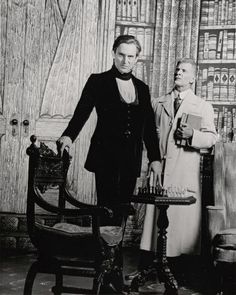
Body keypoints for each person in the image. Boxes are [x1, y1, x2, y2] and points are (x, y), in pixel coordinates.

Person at [126, 58, 217, 282]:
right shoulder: (159, 103)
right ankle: (149, 270)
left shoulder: (202, 106)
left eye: (184, 70)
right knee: (154, 223)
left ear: (193, 78)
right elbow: (149, 134)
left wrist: (192, 136)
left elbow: (213, 138)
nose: (178, 73)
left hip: (184, 171)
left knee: (180, 225)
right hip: (160, 169)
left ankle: (179, 273)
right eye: (177, 69)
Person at [57, 34, 161, 226]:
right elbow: (82, 112)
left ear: (137, 58)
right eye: (121, 55)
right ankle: (103, 254)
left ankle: (116, 252)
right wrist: (69, 136)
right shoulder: (98, 81)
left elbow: (148, 128)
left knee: (122, 209)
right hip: (105, 155)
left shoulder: (142, 88)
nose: (125, 60)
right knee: (106, 208)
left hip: (131, 158)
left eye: (130, 57)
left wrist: (155, 158)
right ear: (113, 54)